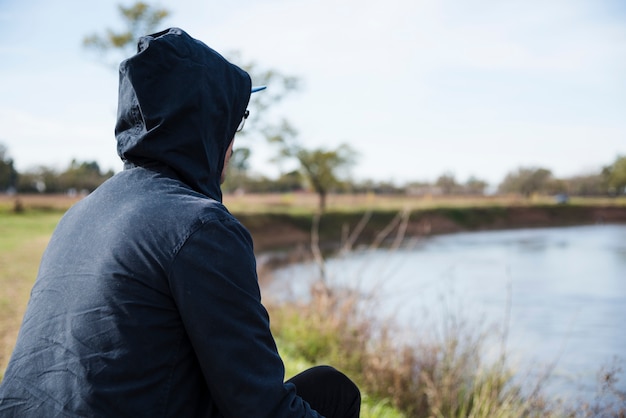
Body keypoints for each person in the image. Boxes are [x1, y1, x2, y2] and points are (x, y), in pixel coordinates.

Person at [0, 28, 360, 418]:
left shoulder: (81, 214)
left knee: (325, 387)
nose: (234, 144)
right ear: (208, 123)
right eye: (234, 122)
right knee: (334, 395)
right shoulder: (201, 226)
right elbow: (260, 407)